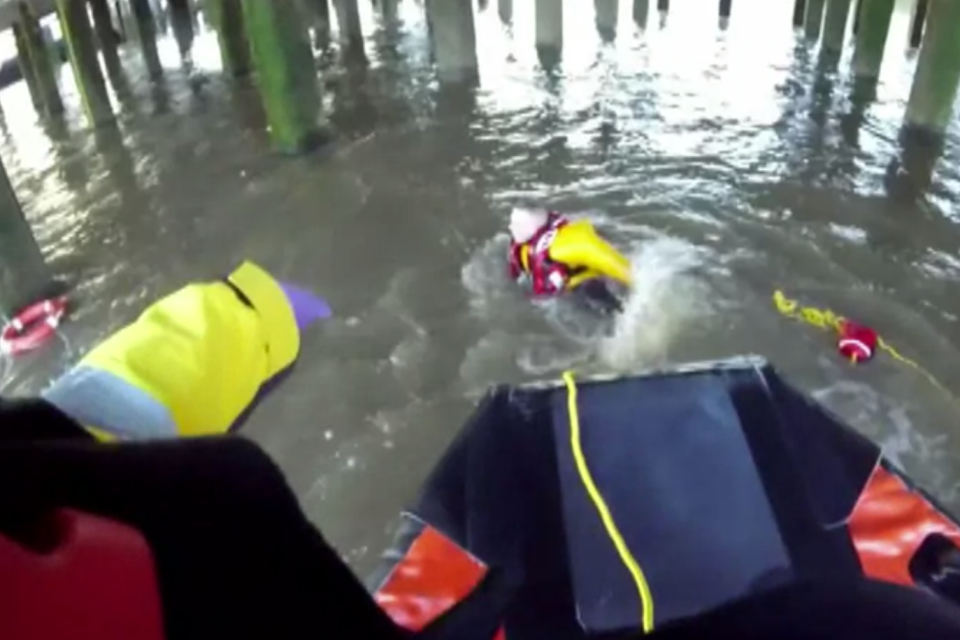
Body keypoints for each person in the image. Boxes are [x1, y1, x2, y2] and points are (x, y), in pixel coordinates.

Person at [507, 207, 632, 312]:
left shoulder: (549, 254)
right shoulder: (522, 242)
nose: (510, 227)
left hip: (583, 277)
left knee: (593, 295)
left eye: (515, 224)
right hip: (581, 248)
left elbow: (544, 295)